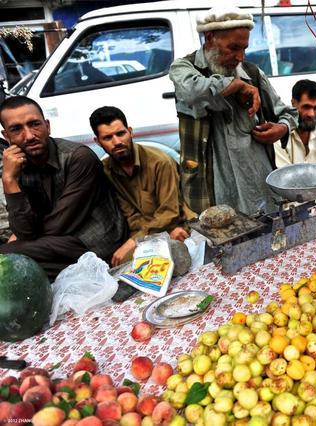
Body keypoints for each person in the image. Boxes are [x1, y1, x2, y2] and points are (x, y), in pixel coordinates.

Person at [169, 4, 297, 215]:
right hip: (212, 188)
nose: (240, 57)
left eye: (244, 49)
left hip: (257, 184)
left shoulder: (251, 73)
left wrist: (281, 129)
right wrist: (235, 85)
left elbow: (288, 114)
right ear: (210, 38)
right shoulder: (184, 69)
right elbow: (192, 91)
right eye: (233, 48)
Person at [0, 96, 127, 280]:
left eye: (34, 124)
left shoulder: (78, 157)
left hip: (96, 244)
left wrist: (20, 241)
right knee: (13, 265)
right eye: (17, 129)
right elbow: (25, 230)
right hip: (55, 245)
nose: (28, 136)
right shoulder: (18, 165)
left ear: (47, 126)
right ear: (7, 136)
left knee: (10, 258)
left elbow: (59, 225)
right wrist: (9, 179)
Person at [89, 106, 197, 266]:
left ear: (130, 132)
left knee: (176, 251)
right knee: (121, 264)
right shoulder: (107, 170)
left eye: (121, 133)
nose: (117, 142)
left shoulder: (159, 162)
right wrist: (138, 240)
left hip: (175, 226)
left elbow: (169, 213)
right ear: (98, 142)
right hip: (144, 233)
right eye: (108, 137)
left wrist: (134, 241)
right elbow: (130, 216)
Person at [274, 79, 316, 187]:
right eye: (306, 107)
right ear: (293, 104)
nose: (311, 114)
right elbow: (284, 179)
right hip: (291, 200)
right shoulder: (279, 133)